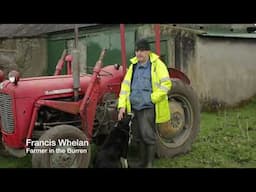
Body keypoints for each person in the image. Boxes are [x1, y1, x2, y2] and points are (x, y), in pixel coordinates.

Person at [118, 38, 172, 168]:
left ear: (148, 51)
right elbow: (125, 87)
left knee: (147, 135)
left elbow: (166, 84)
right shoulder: (133, 66)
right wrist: (121, 106)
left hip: (147, 106)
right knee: (138, 135)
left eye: (142, 50)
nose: (138, 53)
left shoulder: (157, 65)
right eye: (137, 50)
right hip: (134, 107)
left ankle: (149, 163)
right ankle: (141, 161)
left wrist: (152, 98)